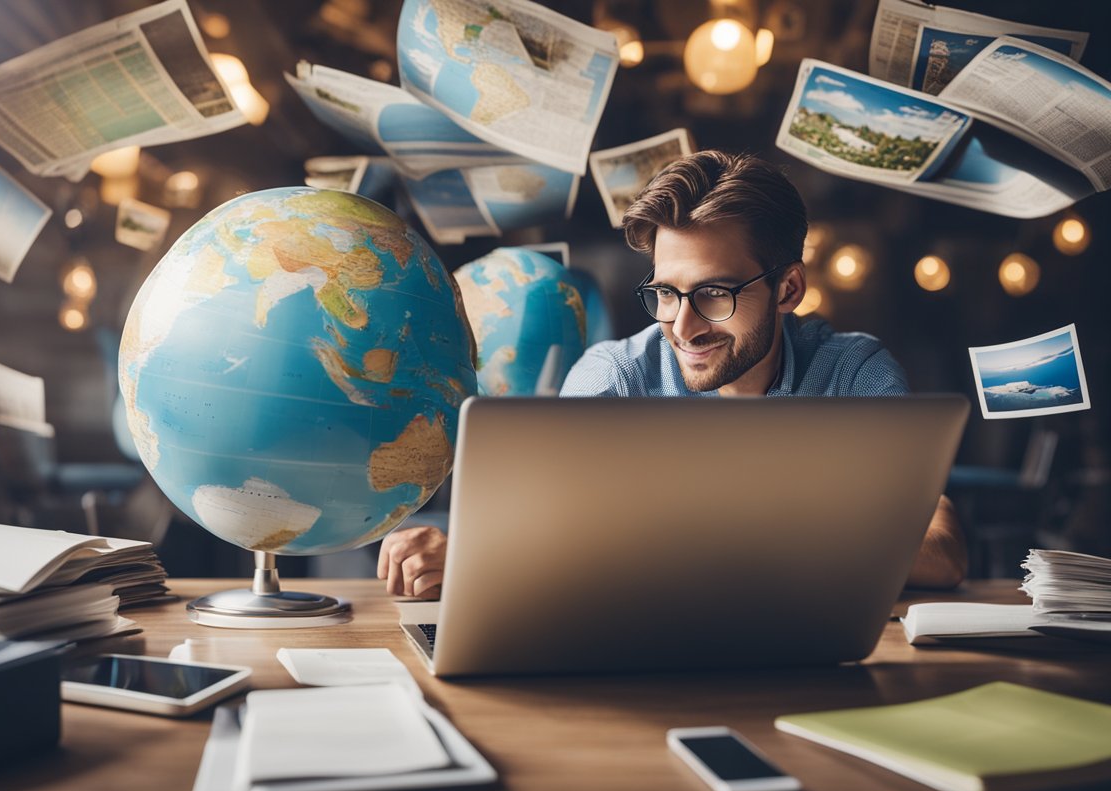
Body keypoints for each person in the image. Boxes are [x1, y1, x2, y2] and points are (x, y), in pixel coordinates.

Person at [379, 150, 967, 600]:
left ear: (788, 289)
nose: (683, 327)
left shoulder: (851, 372)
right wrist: (469, 554)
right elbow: (537, 534)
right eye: (665, 293)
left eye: (714, 293)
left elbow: (940, 550)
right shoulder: (615, 378)